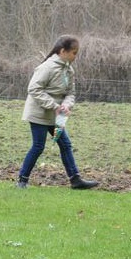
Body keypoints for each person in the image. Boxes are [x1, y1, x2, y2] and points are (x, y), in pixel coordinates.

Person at [17, 35, 98, 189]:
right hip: (39, 114)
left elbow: (70, 93)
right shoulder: (47, 67)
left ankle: (75, 180)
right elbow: (33, 89)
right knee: (38, 146)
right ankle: (22, 180)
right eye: (74, 52)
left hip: (56, 116)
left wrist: (66, 105)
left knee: (65, 144)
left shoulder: (69, 70)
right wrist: (54, 105)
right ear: (63, 51)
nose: (75, 56)